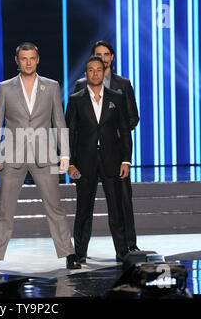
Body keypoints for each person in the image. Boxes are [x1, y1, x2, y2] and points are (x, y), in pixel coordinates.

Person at [0, 42, 80, 271]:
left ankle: (69, 254)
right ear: (16, 61)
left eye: (32, 58)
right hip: (12, 155)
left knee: (55, 206)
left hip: (45, 154)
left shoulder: (52, 86)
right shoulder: (5, 87)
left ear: (37, 59)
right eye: (23, 58)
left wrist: (65, 153)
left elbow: (59, 121)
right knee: (4, 209)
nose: (28, 62)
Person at [73, 40, 140, 252]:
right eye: (97, 54)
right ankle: (80, 252)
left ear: (111, 58)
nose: (102, 58)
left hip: (115, 152)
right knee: (84, 206)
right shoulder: (80, 88)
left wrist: (117, 135)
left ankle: (128, 246)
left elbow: (131, 118)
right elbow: (72, 126)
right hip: (87, 155)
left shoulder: (122, 85)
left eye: (105, 54)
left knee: (121, 204)